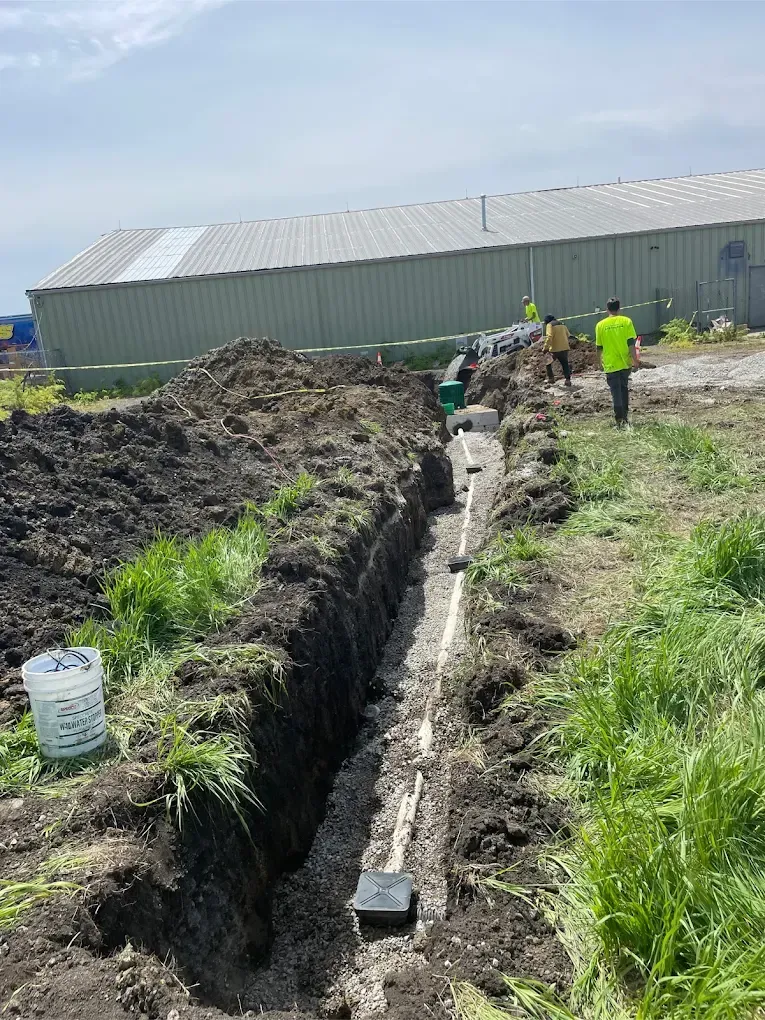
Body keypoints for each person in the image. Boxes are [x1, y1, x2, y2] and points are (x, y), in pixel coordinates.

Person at [595, 297, 639, 426]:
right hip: (625, 362)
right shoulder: (626, 322)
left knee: (615, 391)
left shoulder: (600, 325)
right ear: (619, 308)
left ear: (607, 309)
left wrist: (599, 363)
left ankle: (619, 419)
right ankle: (625, 416)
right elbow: (631, 343)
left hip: (610, 363)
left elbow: (599, 347)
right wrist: (635, 360)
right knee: (624, 388)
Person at [542, 314, 572, 386]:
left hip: (555, 349)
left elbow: (549, 337)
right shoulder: (562, 324)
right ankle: (568, 380)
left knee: (548, 362)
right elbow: (568, 335)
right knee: (565, 364)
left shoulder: (550, 325)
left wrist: (545, 348)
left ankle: (551, 379)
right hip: (565, 347)